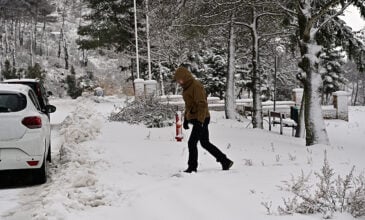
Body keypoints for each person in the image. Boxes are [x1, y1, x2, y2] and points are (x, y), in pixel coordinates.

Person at [174, 66, 233, 173]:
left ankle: (192, 167)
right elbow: (189, 105)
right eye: (178, 81)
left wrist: (200, 122)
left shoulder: (196, 86)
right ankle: (225, 161)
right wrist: (186, 119)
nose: (179, 82)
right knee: (205, 143)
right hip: (196, 118)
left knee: (192, 143)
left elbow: (202, 104)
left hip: (201, 118)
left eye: (180, 80)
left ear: (186, 77)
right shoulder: (187, 87)